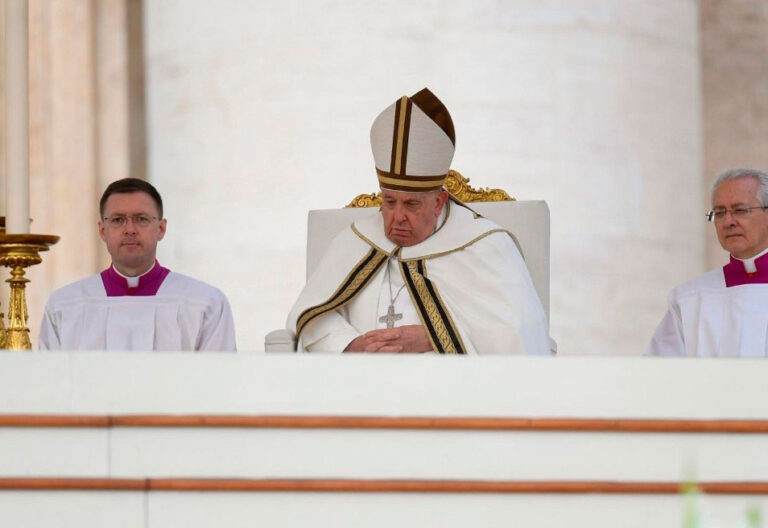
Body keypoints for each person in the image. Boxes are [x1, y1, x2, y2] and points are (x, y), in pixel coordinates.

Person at [286, 88, 551, 355]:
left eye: (411, 204)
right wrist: (350, 344)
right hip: (360, 384)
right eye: (389, 202)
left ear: (438, 202)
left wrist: (434, 336)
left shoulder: (486, 245)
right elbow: (313, 316)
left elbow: (518, 332)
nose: (397, 217)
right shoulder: (355, 240)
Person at [39, 178, 236, 351]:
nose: (130, 229)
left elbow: (218, 384)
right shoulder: (65, 306)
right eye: (118, 220)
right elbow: (52, 385)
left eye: (141, 219)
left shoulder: (205, 303)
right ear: (102, 230)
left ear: (161, 228)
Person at [647, 168, 768, 356]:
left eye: (740, 210)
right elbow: (659, 373)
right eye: (719, 213)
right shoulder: (689, 298)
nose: (728, 222)